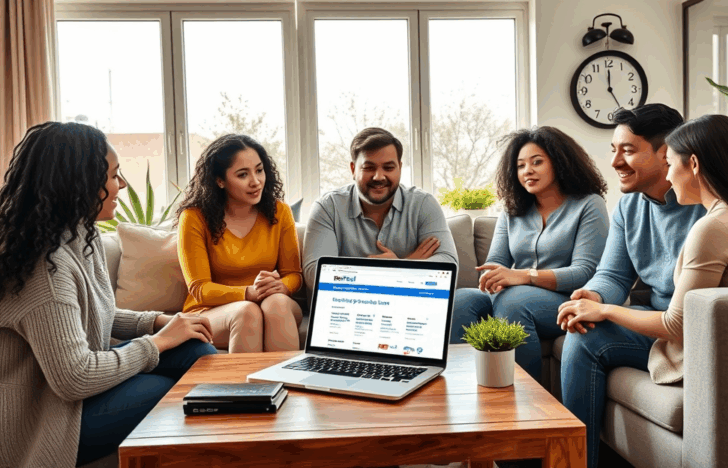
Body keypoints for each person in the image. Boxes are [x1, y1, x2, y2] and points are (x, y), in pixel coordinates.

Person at [0, 122, 218, 468]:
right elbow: (75, 377)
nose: (123, 185)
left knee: (196, 350)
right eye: (114, 175)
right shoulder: (45, 270)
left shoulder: (79, 236)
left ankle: (232, 451)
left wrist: (157, 322)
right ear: (80, 183)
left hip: (70, 395)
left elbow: (93, 312)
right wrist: (157, 343)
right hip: (48, 418)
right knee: (168, 392)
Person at [553, 104, 710, 468]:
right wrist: (591, 296)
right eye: (614, 150)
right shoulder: (628, 207)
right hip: (654, 319)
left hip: (687, 327)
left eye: (627, 150)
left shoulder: (707, 203)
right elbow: (614, 275)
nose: (615, 162)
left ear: (666, 152)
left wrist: (603, 309)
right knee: (583, 328)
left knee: (584, 339)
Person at [449, 127, 610, 383]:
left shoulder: (589, 204)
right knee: (461, 300)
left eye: (537, 162)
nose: (528, 171)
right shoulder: (512, 210)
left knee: (514, 300)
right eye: (521, 165)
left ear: (560, 163)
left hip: (566, 299)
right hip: (513, 294)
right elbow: (498, 263)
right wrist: (492, 277)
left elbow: (584, 272)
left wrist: (523, 276)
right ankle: (466, 388)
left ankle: (527, 402)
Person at [176, 134, 303, 353]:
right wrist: (248, 293)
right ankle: (245, 388)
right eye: (243, 174)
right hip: (211, 311)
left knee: (277, 304)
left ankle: (288, 385)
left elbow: (293, 274)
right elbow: (200, 288)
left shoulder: (280, 211)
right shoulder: (194, 217)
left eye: (259, 170)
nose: (255, 181)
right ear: (220, 180)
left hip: (267, 303)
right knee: (246, 312)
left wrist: (282, 286)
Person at [303, 127, 459, 292]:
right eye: (369, 168)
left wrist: (399, 266)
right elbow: (316, 275)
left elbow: (448, 268)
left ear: (399, 167)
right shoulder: (328, 207)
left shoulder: (423, 204)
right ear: (353, 169)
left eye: (389, 168)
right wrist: (402, 266)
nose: (378, 176)